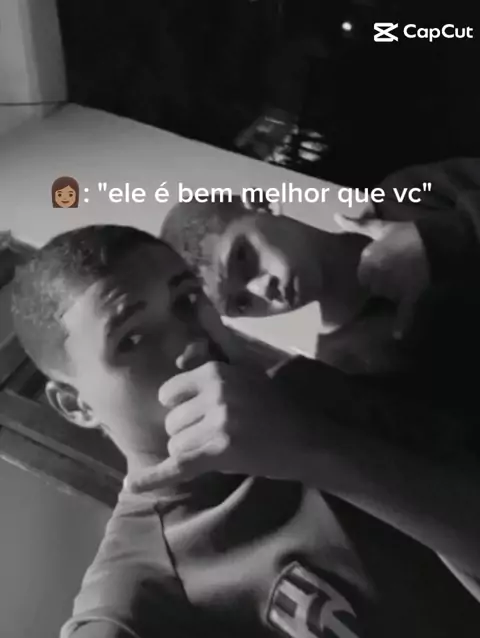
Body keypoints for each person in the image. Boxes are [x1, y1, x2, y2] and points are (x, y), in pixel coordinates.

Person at [11, 225, 480, 638]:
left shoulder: (309, 389)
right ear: (75, 405)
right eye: (131, 339)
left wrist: (311, 447)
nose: (191, 342)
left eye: (186, 300)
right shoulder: (145, 574)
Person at [160, 157, 480, 380]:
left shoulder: (406, 194)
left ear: (260, 204)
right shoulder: (345, 369)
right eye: (241, 304)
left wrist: (444, 240)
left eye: (243, 259)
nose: (262, 289)